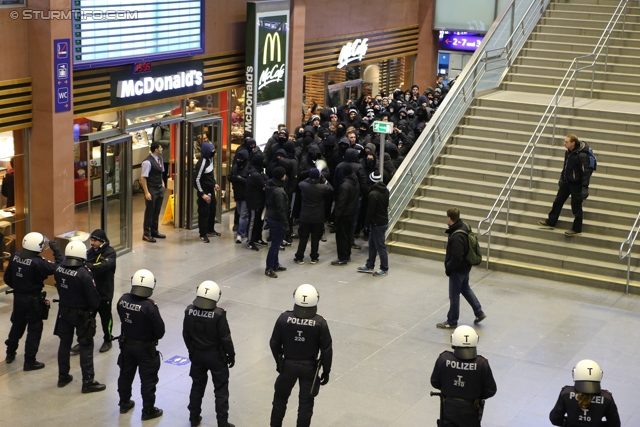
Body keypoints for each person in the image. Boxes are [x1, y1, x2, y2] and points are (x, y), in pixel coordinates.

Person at [269, 284, 332, 427]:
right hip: (309, 368)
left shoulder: (284, 318)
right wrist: (326, 371)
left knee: (280, 399)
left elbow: (274, 343)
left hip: (288, 365)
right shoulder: (320, 322)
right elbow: (327, 350)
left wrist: (279, 361)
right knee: (306, 405)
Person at [4, 232, 63, 370]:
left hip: (18, 298)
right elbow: (59, 268)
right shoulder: (39, 263)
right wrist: (57, 251)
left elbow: (7, 278)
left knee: (17, 325)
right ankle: (30, 361)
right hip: (33, 300)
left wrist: (19, 287)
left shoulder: (14, 257)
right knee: (34, 329)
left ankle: (10, 353)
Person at [54, 241, 106, 393]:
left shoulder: (59, 269)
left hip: (64, 312)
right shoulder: (84, 273)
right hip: (81, 315)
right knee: (85, 345)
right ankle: (88, 381)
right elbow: (94, 300)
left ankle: (63, 376)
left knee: (64, 343)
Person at [183, 281, 236, 427]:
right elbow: (225, 338)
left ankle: (194, 417)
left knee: (197, 385)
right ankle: (222, 423)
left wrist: (192, 350)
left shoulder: (189, 311)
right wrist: (231, 355)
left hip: (198, 355)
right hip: (216, 357)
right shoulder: (218, 314)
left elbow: (186, 334)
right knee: (221, 389)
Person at [116, 269, 165, 421]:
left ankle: (124, 403)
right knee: (148, 380)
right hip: (145, 348)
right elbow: (160, 331)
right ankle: (148, 410)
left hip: (126, 346)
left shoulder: (123, 300)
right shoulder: (149, 306)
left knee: (125, 374)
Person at [430, 325, 497, 427]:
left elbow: (435, 382)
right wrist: (475, 394)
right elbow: (490, 390)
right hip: (471, 409)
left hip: (448, 408)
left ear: (453, 339)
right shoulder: (481, 363)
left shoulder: (444, 359)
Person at [436, 208, 486, 329]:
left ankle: (452, 321)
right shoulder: (464, 226)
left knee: (454, 296)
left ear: (449, 218)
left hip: (458, 269)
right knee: (465, 289)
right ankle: (479, 312)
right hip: (465, 267)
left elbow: (457, 257)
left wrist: (448, 268)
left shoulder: (457, 235)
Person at [71, 229, 117, 355]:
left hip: (104, 293)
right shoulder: (91, 252)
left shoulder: (110, 252)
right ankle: (83, 341)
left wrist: (88, 266)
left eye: (95, 240)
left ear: (102, 241)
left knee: (105, 318)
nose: (92, 243)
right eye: (91, 240)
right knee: (87, 318)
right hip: (91, 291)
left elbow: (103, 266)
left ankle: (108, 339)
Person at [538, 134, 592, 236]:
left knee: (576, 206)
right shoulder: (568, 152)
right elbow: (565, 167)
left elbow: (585, 173)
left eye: (566, 142)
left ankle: (577, 228)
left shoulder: (582, 155)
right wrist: (562, 177)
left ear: (573, 143)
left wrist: (585, 187)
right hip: (566, 182)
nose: (564, 143)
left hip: (576, 184)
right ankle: (551, 221)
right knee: (558, 201)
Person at [549, 359, 620, 427]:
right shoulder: (607, 398)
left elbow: (555, 419)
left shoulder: (566, 393)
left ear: (575, 374)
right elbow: (614, 424)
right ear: (599, 375)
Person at [294, 168, 333, 265]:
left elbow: (300, 182)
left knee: (303, 238)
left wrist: (309, 179)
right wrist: (324, 179)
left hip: (305, 216)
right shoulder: (322, 188)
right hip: (318, 217)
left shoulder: (304, 186)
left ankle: (299, 257)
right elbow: (331, 189)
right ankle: (314, 257)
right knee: (315, 238)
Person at [357, 172, 389, 276]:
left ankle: (384, 268)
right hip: (383, 221)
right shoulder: (386, 191)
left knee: (380, 246)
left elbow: (370, 211)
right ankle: (369, 264)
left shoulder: (373, 194)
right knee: (373, 245)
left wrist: (366, 225)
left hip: (377, 224)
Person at [331, 164, 359, 265]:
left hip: (344, 214)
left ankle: (342, 257)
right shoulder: (355, 181)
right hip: (352, 213)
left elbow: (341, 203)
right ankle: (347, 255)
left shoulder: (345, 185)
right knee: (348, 235)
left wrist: (336, 217)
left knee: (341, 236)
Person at [264, 167, 289, 278]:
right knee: (275, 245)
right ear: (281, 176)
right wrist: (286, 223)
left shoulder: (270, 185)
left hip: (271, 217)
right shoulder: (278, 191)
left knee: (276, 243)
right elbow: (281, 209)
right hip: (277, 220)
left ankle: (275, 264)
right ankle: (269, 267)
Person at [194, 142, 220, 243]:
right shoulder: (202, 163)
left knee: (212, 209)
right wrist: (202, 194)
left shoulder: (210, 159)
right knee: (204, 213)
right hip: (204, 192)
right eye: (212, 150)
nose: (214, 151)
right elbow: (197, 179)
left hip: (210, 190)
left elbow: (211, 174)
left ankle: (210, 229)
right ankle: (202, 234)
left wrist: (214, 183)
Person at [140, 142, 166, 243]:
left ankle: (154, 230)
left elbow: (160, 173)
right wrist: (146, 192)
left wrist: (162, 183)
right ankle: (146, 233)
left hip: (159, 188)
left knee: (157, 211)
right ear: (155, 149)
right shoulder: (147, 162)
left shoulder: (160, 159)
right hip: (152, 189)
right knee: (150, 211)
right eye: (160, 147)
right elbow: (143, 178)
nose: (162, 149)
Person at [245, 152, 268, 251]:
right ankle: (250, 241)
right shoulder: (255, 175)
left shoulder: (258, 172)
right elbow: (264, 186)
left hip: (259, 200)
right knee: (253, 221)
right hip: (254, 202)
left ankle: (257, 238)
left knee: (259, 221)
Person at [228, 150, 249, 244]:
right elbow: (230, 176)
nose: (239, 160)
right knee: (241, 213)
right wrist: (232, 177)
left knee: (243, 215)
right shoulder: (236, 166)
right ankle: (244, 231)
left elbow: (249, 181)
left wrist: (239, 178)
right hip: (237, 194)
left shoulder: (248, 168)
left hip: (245, 195)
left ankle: (240, 234)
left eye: (241, 159)